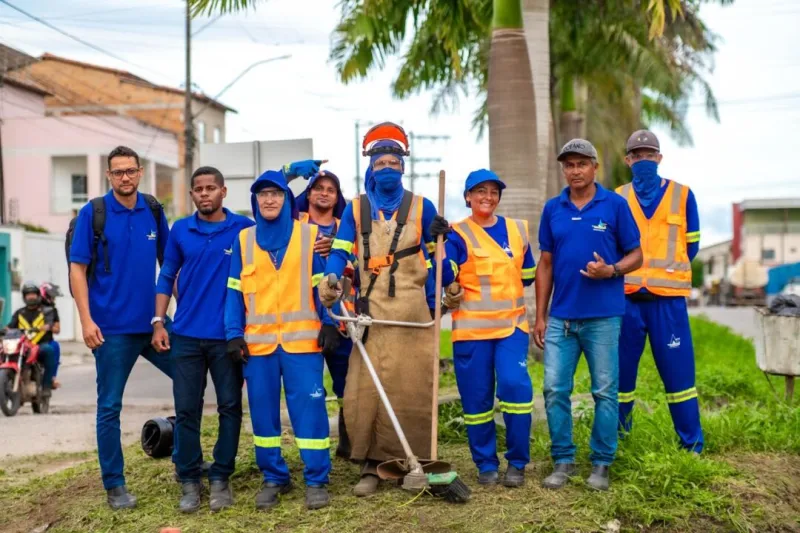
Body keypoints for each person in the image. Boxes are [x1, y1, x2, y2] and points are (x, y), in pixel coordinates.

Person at [318, 123, 450, 497]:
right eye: (381, 163)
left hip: (412, 314)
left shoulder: (423, 206)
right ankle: (371, 466)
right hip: (370, 313)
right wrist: (330, 278)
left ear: (403, 167)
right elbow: (340, 251)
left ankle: (412, 461)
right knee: (366, 390)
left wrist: (443, 236)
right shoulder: (356, 208)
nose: (387, 168)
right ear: (371, 168)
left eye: (394, 162)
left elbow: (440, 261)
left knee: (411, 388)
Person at [225, 170, 340, 511]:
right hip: (258, 347)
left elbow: (324, 286)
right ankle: (274, 477)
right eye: (263, 194)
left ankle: (316, 480)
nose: (269, 199)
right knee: (263, 416)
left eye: (275, 193)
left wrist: (330, 322)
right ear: (255, 201)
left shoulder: (310, 235)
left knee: (310, 412)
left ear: (287, 200)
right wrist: (233, 335)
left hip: (303, 345)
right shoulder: (243, 240)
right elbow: (234, 292)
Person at [534, 139, 643, 492]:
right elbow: (546, 264)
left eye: (582, 163)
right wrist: (540, 316)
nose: (575, 170)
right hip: (561, 319)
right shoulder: (553, 208)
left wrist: (611, 270)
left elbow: (637, 255)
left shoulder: (614, 205)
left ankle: (601, 463)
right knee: (554, 389)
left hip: (603, 318)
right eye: (569, 165)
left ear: (595, 167)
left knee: (605, 392)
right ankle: (563, 460)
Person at [69, 145, 173, 510]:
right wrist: (86, 320)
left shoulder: (153, 209)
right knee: (110, 407)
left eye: (130, 171)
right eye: (117, 172)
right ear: (109, 175)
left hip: (154, 324)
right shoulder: (93, 213)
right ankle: (115, 485)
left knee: (190, 378)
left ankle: (185, 462)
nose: (124, 177)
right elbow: (78, 269)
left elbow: (170, 265)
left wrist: (173, 315)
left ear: (140, 172)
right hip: (110, 329)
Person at [152, 166, 254, 513]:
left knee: (230, 407)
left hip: (228, 338)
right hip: (186, 336)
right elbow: (166, 275)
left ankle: (221, 476)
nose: (205, 193)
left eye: (211, 188)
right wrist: (158, 322)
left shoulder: (243, 228)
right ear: (192, 194)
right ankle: (189, 479)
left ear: (223, 191)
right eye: (199, 189)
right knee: (186, 410)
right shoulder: (181, 229)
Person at [439, 169, 536, 488]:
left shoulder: (517, 229)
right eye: (480, 191)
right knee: (476, 400)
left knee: (515, 388)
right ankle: (485, 463)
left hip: (511, 328)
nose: (488, 197)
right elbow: (446, 275)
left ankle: (517, 463)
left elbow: (528, 275)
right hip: (471, 333)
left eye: (494, 192)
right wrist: (438, 246)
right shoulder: (456, 234)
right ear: (468, 197)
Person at [616, 130, 704, 453]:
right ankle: (617, 444)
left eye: (649, 155)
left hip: (668, 303)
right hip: (626, 300)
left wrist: (665, 273)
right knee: (620, 377)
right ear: (628, 161)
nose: (644, 161)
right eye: (637, 156)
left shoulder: (683, 195)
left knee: (680, 378)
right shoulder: (617, 198)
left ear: (660, 158)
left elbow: (691, 247)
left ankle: (691, 446)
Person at [294, 168, 354, 459]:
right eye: (318, 188)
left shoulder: (347, 227)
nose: (324, 193)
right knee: (311, 387)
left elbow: (363, 263)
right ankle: (313, 448)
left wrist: (340, 251)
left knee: (348, 384)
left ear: (337, 197)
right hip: (306, 320)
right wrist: (291, 172)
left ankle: (349, 440)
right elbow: (268, 200)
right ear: (308, 195)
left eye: (331, 189)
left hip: (343, 319)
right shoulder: (297, 223)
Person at [7, 282, 57, 396]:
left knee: (49, 350)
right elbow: (10, 326)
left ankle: (46, 387)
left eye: (33, 294)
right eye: (28, 294)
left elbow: (49, 325)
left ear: (38, 295)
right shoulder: (19, 312)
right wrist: (3, 330)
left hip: (39, 345)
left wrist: (43, 328)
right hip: (22, 346)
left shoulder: (46, 311)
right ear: (24, 297)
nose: (31, 297)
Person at [39, 282, 62, 389]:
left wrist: (49, 327)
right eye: (52, 297)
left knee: (55, 346)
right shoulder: (32, 308)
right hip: (30, 340)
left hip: (46, 341)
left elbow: (57, 330)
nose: (53, 300)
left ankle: (52, 377)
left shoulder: (53, 311)